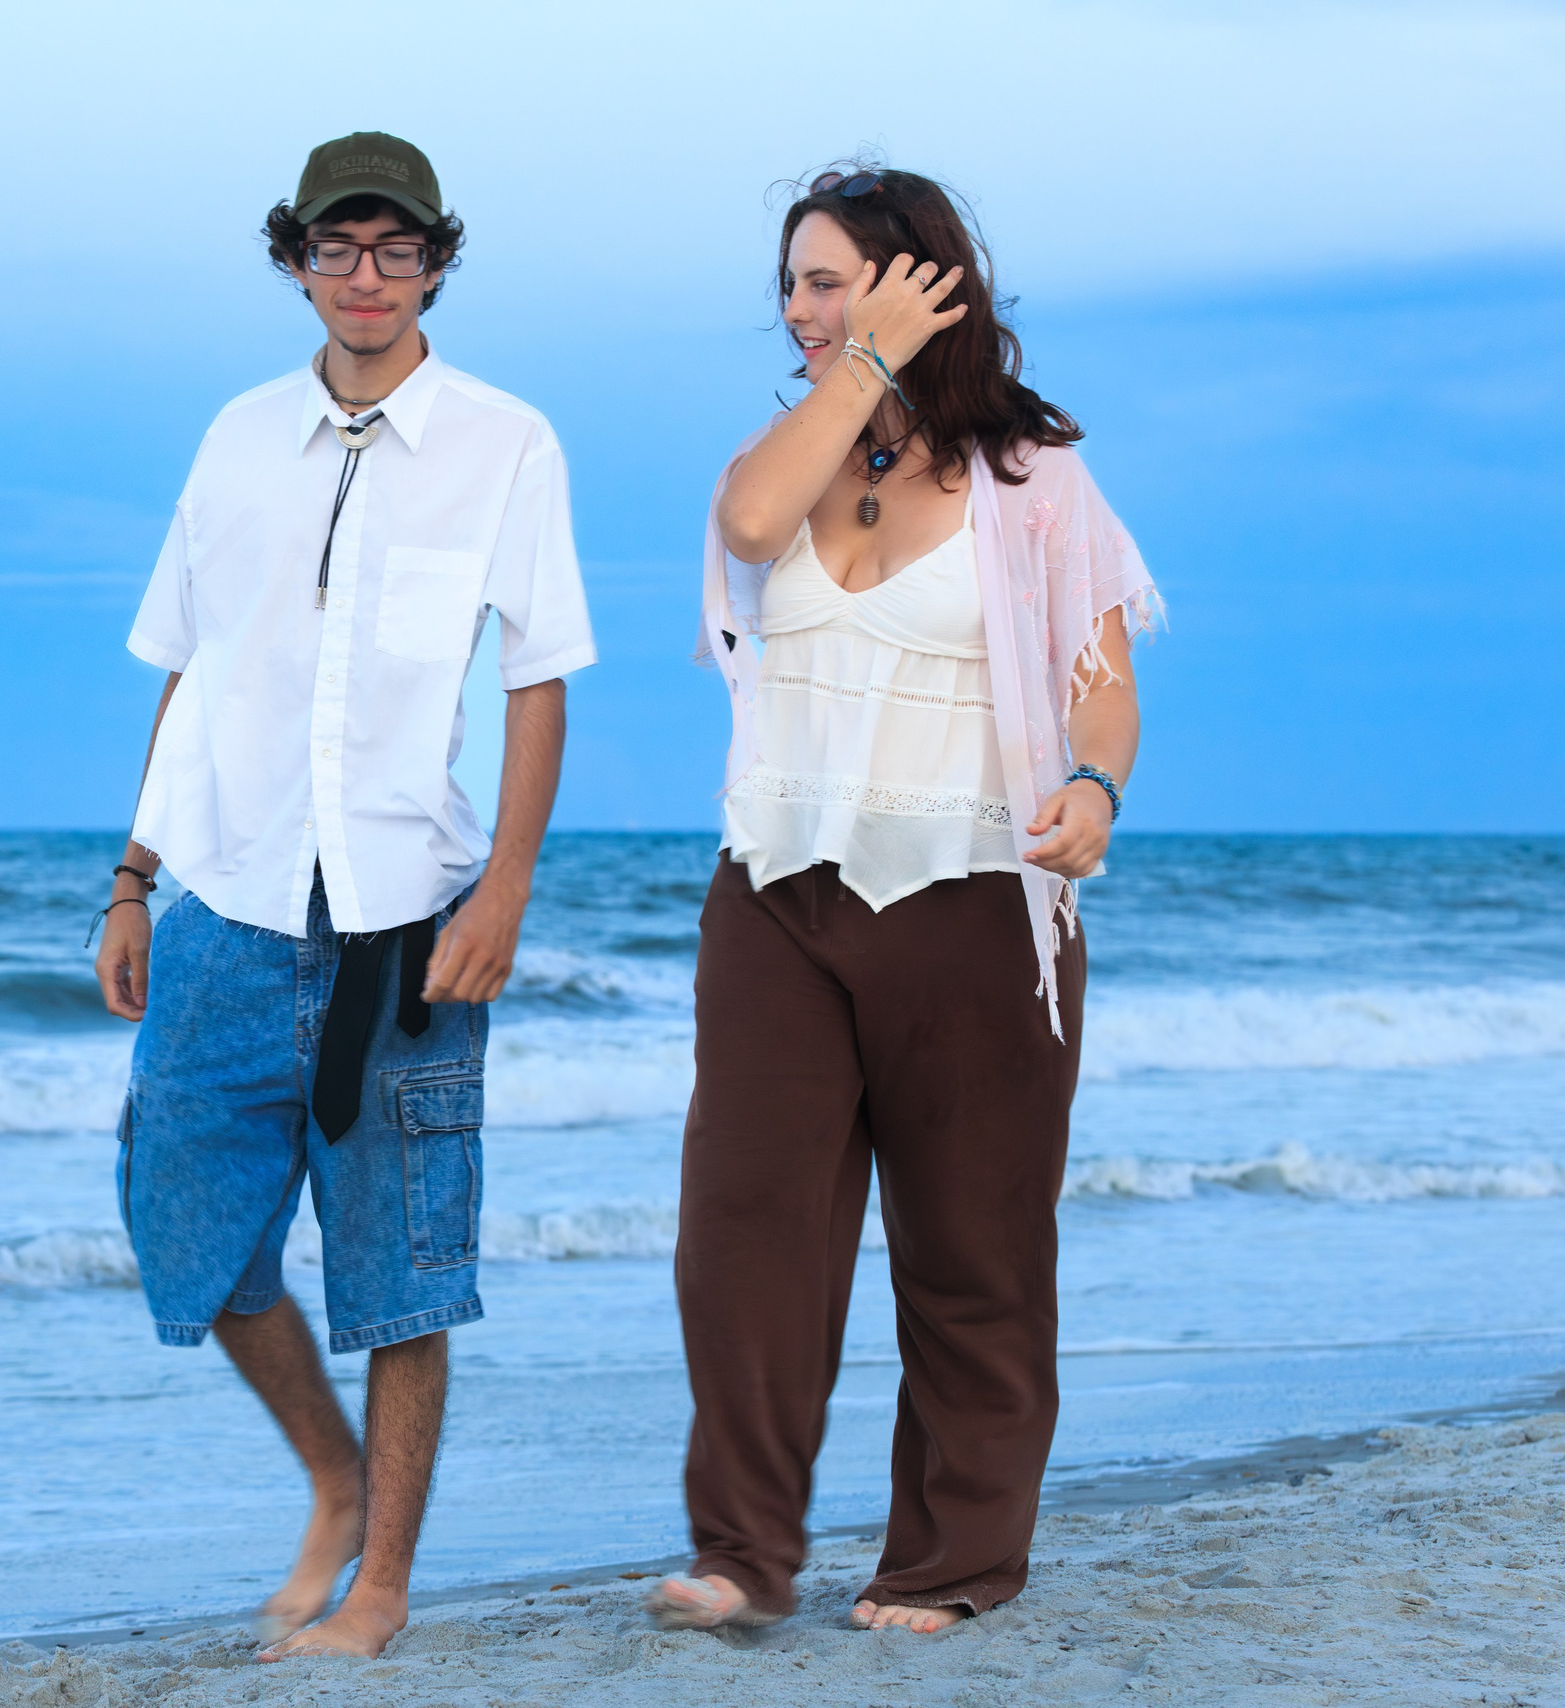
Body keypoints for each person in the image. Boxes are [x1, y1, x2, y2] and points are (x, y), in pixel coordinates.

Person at [89, 131, 596, 1660]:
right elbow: (188, 666)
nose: (364, 276)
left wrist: (506, 891)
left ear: (435, 262)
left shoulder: (508, 443)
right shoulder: (236, 438)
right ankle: (333, 1477)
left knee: (402, 1268)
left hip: (409, 919)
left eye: (393, 248)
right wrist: (132, 877)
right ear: (296, 261)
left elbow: (539, 679)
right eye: (336, 247)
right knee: (181, 1225)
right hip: (228, 904)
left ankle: (379, 1591)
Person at [647, 165, 1161, 1636]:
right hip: (778, 890)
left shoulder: (1035, 481)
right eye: (792, 286)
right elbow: (752, 525)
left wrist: (1093, 790)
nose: (800, 310)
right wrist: (861, 361)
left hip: (975, 898)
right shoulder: (786, 457)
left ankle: (953, 1559)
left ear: (920, 281)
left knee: (971, 1248)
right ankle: (744, 1554)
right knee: (743, 1228)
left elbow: (1102, 688)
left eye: (829, 282)